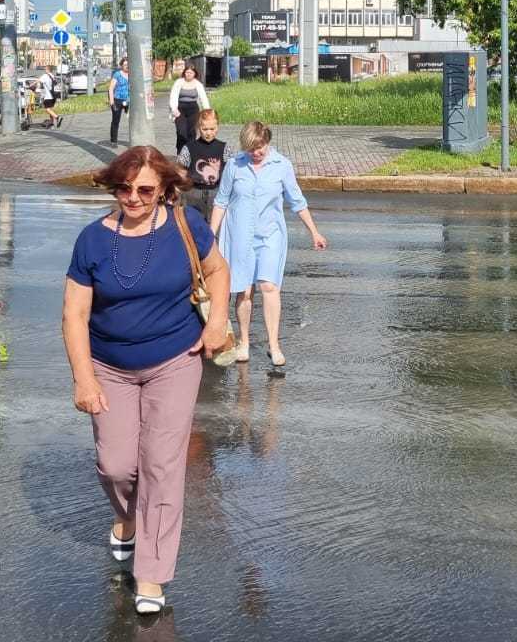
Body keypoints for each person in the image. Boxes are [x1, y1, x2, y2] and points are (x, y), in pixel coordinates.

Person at [62, 145, 232, 617]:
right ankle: (126, 517)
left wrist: (217, 323)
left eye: (144, 190)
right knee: (116, 465)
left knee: (162, 466)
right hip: (110, 367)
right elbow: (74, 314)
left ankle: (152, 574)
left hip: (175, 360)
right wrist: (83, 379)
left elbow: (218, 271)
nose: (132, 198)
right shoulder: (92, 240)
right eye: (123, 188)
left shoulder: (185, 226)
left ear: (164, 191)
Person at [208, 120, 328, 369]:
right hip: (240, 235)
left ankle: (274, 346)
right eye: (251, 148)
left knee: (269, 286)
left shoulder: (281, 166)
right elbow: (221, 202)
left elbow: (297, 201)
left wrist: (314, 232)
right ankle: (244, 342)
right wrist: (210, 235)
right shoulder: (234, 165)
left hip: (270, 235)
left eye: (259, 147)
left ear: (267, 141)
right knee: (244, 290)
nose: (256, 152)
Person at [185, 108, 225, 221]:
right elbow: (180, 170)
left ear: (218, 127)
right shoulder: (189, 148)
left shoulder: (224, 148)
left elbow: (231, 172)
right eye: (205, 129)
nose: (208, 133)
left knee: (215, 226)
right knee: (194, 226)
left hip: (216, 194)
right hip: (194, 194)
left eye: (212, 129)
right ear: (199, 127)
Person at [167, 62, 210, 157]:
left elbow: (203, 99)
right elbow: (173, 96)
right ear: (184, 73)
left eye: (190, 72)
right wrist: (174, 109)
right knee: (181, 131)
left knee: (191, 132)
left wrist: (207, 111)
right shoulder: (179, 82)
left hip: (193, 109)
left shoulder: (198, 84)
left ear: (194, 73)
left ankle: (191, 153)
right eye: (187, 72)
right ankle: (180, 152)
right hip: (180, 110)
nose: (188, 74)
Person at [108, 58, 131, 145]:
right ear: (121, 66)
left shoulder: (131, 74)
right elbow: (111, 88)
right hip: (117, 100)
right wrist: (112, 103)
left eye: (128, 65)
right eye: (125, 65)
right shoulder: (117, 74)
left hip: (128, 100)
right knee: (116, 120)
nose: (127, 66)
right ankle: (113, 141)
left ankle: (134, 138)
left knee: (132, 118)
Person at [40, 65, 62, 130]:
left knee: (47, 109)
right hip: (53, 96)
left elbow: (38, 81)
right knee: (50, 110)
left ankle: (57, 117)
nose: (45, 70)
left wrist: (30, 85)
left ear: (47, 69)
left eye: (45, 69)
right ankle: (52, 124)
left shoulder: (45, 75)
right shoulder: (52, 76)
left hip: (48, 96)